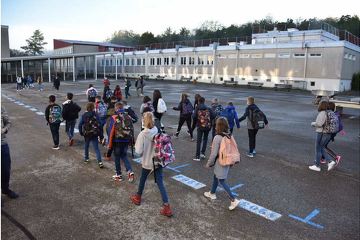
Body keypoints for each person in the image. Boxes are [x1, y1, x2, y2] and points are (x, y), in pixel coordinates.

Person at [130, 112, 173, 217]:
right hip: (157, 160)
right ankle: (166, 206)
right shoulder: (156, 130)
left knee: (142, 179)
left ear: (143, 121)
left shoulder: (142, 134)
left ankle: (138, 197)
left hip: (147, 162)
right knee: (160, 182)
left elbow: (138, 151)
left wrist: (136, 145)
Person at [204, 117, 240, 210]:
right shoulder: (229, 135)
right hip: (227, 160)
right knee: (216, 176)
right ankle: (212, 193)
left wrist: (208, 163)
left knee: (222, 180)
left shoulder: (217, 137)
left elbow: (214, 154)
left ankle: (233, 200)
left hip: (220, 161)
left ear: (218, 126)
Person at [107, 102, 135, 181]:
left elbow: (111, 131)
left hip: (117, 140)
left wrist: (110, 143)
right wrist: (132, 141)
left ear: (116, 108)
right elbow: (132, 129)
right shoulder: (128, 116)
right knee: (124, 155)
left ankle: (119, 174)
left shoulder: (114, 117)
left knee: (117, 157)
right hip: (126, 139)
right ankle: (130, 171)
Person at [309, 101, 337, 172]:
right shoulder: (329, 113)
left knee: (318, 148)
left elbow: (319, 124)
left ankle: (321, 164)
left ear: (321, 105)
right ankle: (319, 164)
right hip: (328, 132)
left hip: (321, 132)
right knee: (321, 148)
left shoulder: (322, 113)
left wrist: (312, 123)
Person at [78, 102, 104, 168]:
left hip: (87, 133)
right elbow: (100, 124)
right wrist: (100, 134)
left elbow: (80, 124)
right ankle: (100, 162)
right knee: (96, 148)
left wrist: (81, 132)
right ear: (93, 108)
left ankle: (86, 158)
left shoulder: (84, 115)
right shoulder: (96, 115)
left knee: (86, 146)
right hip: (95, 133)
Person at [1, 107, 19, 199]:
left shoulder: (1, 109)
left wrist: (4, 130)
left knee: (5, 169)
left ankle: (5, 188)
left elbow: (8, 122)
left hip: (2, 144)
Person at [192, 97, 215, 161]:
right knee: (205, 139)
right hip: (207, 126)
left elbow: (193, 117)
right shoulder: (208, 108)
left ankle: (197, 156)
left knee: (199, 141)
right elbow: (213, 115)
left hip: (200, 126)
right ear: (204, 101)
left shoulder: (197, 108)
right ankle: (203, 153)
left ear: (199, 101)